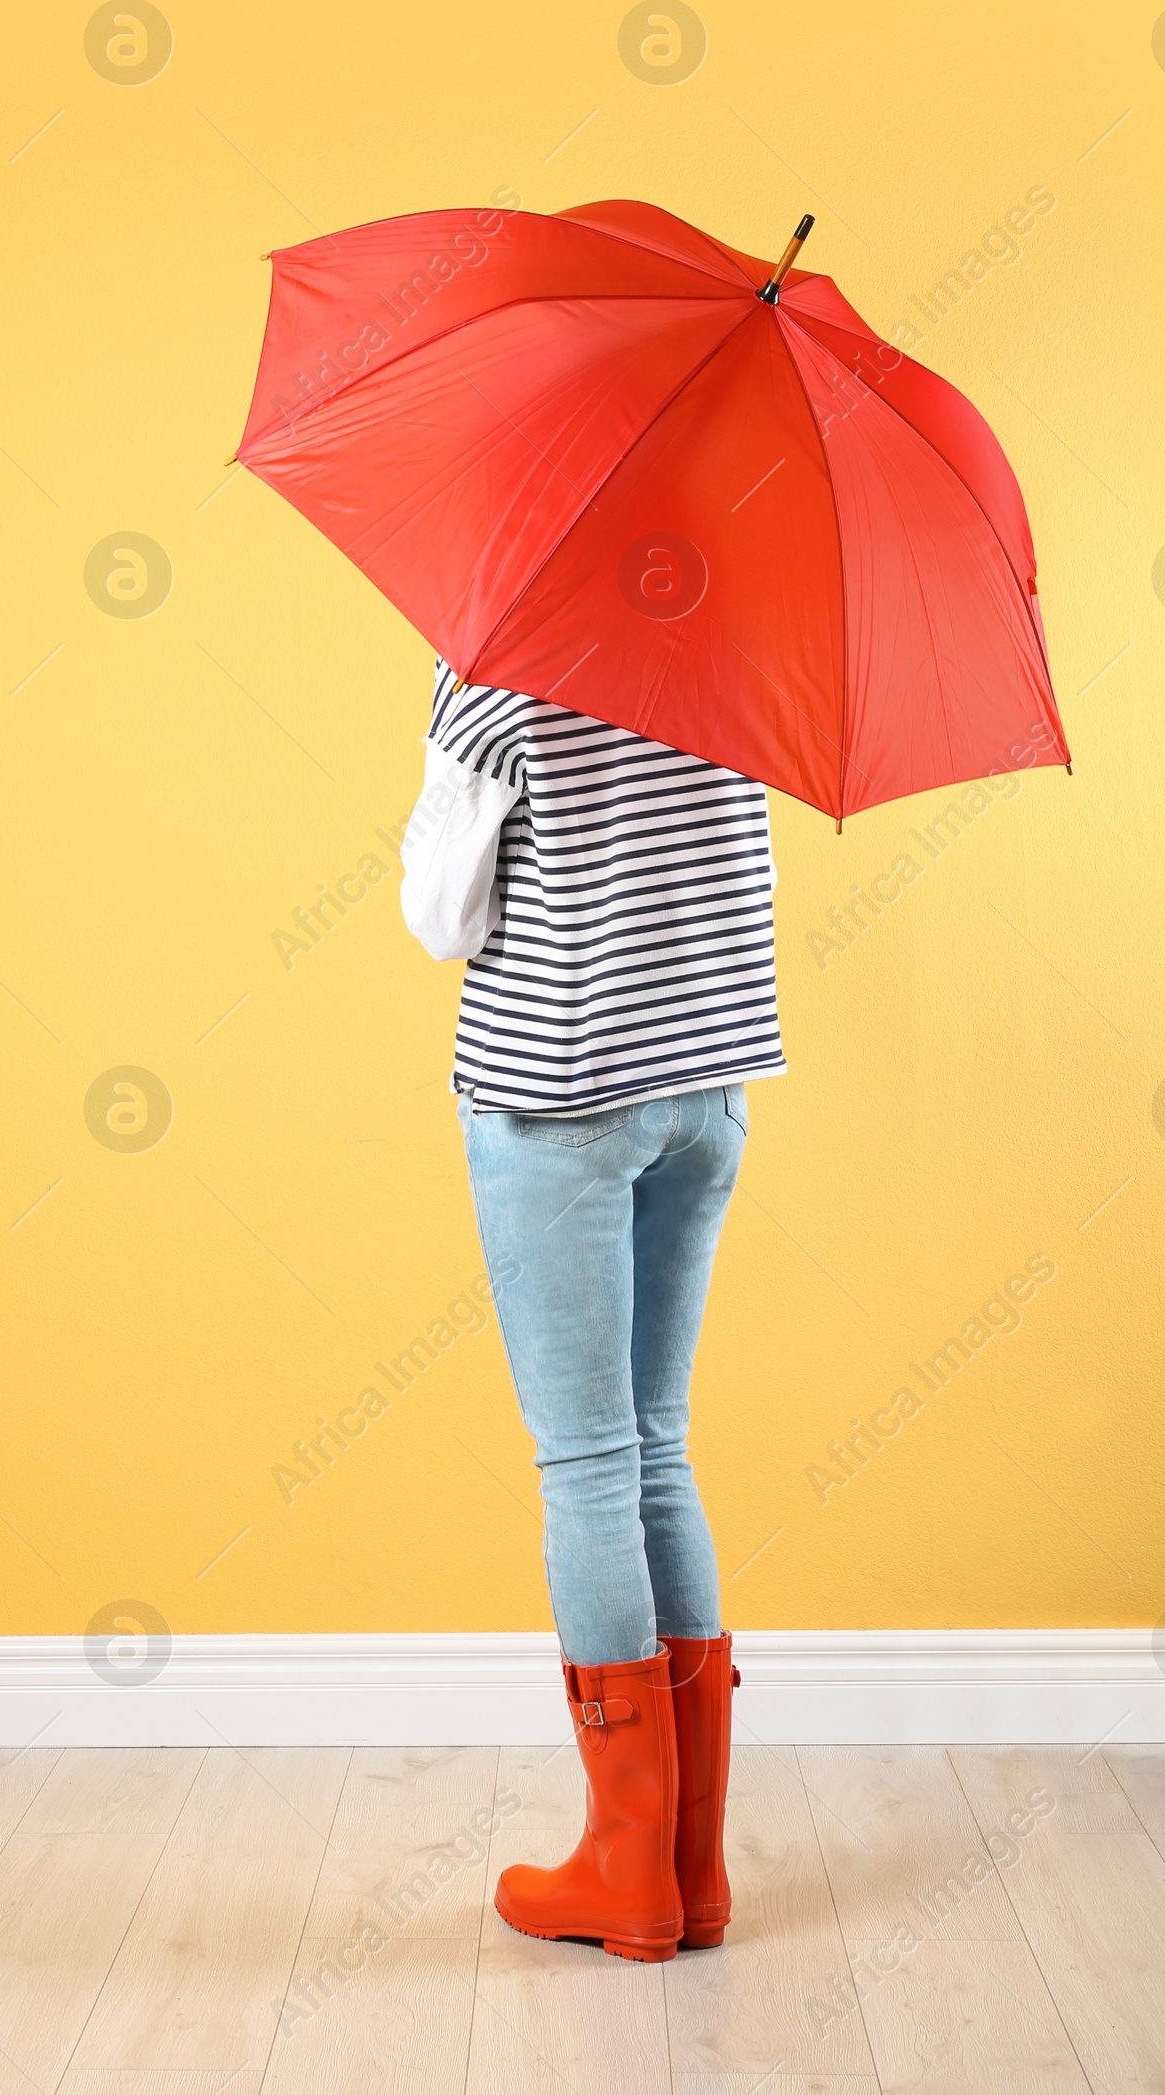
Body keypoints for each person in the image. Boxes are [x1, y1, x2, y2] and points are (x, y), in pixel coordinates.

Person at [399, 657, 784, 1963]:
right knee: (657, 1448)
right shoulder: (749, 646)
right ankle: (691, 1865)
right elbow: (742, 882)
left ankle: (626, 1869)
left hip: (556, 1094)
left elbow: (440, 917)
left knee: (586, 1463)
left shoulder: (501, 662)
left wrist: (452, 754)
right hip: (711, 1088)